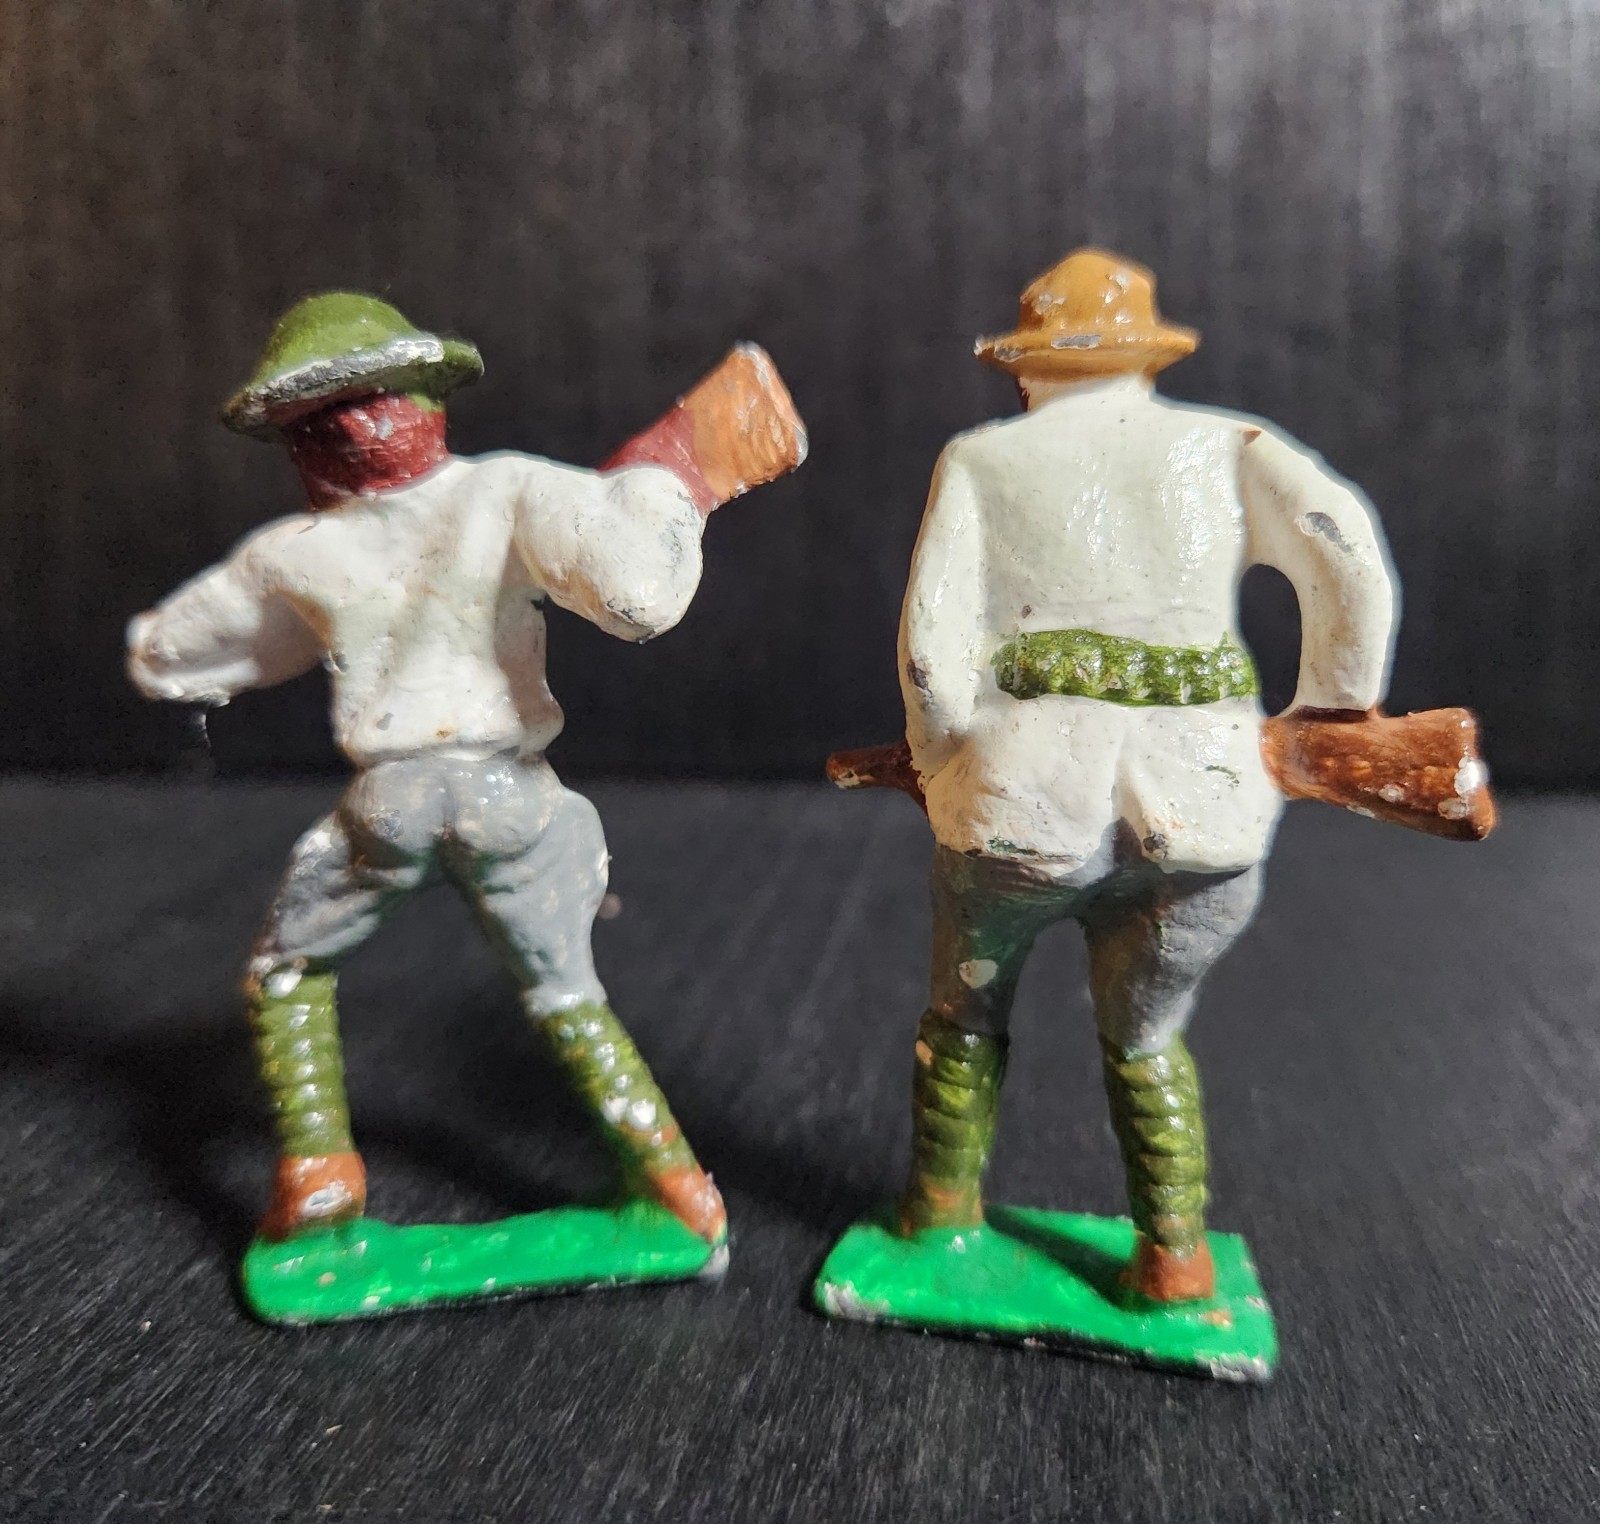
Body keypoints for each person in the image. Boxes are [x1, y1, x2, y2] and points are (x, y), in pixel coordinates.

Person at [128, 291, 804, 1251]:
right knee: (566, 989)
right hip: (507, 794)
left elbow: (172, 653)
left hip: (392, 799)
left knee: (289, 971)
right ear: (429, 403)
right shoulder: (507, 490)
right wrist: (667, 478)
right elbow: (635, 593)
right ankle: (673, 1183)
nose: (358, 427)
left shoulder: (300, 552)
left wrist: (206, 646)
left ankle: (319, 1169)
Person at [893, 249, 1397, 1302]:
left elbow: (932, 655)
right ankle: (1172, 1259)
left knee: (965, 1010)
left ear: (1026, 362)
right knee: (1148, 1035)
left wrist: (944, 766)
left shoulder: (980, 459)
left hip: (1019, 800)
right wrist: (1325, 713)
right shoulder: (1231, 444)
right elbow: (1343, 545)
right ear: (1143, 358)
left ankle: (939, 1222)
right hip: (1207, 802)